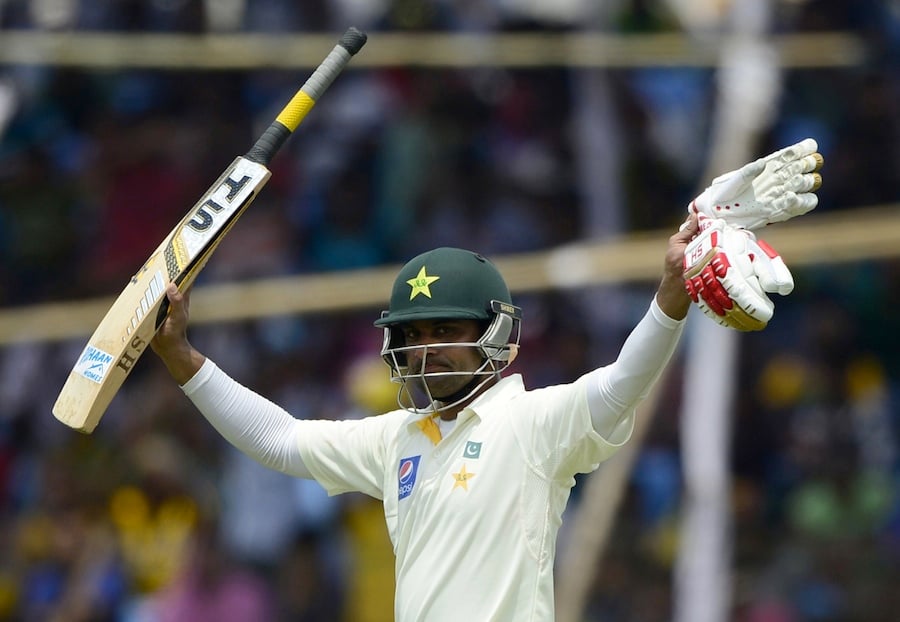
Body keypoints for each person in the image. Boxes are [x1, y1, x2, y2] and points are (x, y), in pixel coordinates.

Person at [149, 139, 822, 621]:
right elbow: (284, 441)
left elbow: (621, 385)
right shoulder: (396, 441)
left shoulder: (531, 426)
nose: (425, 351)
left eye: (443, 331)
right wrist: (182, 356)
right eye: (411, 337)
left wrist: (669, 300)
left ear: (493, 333)